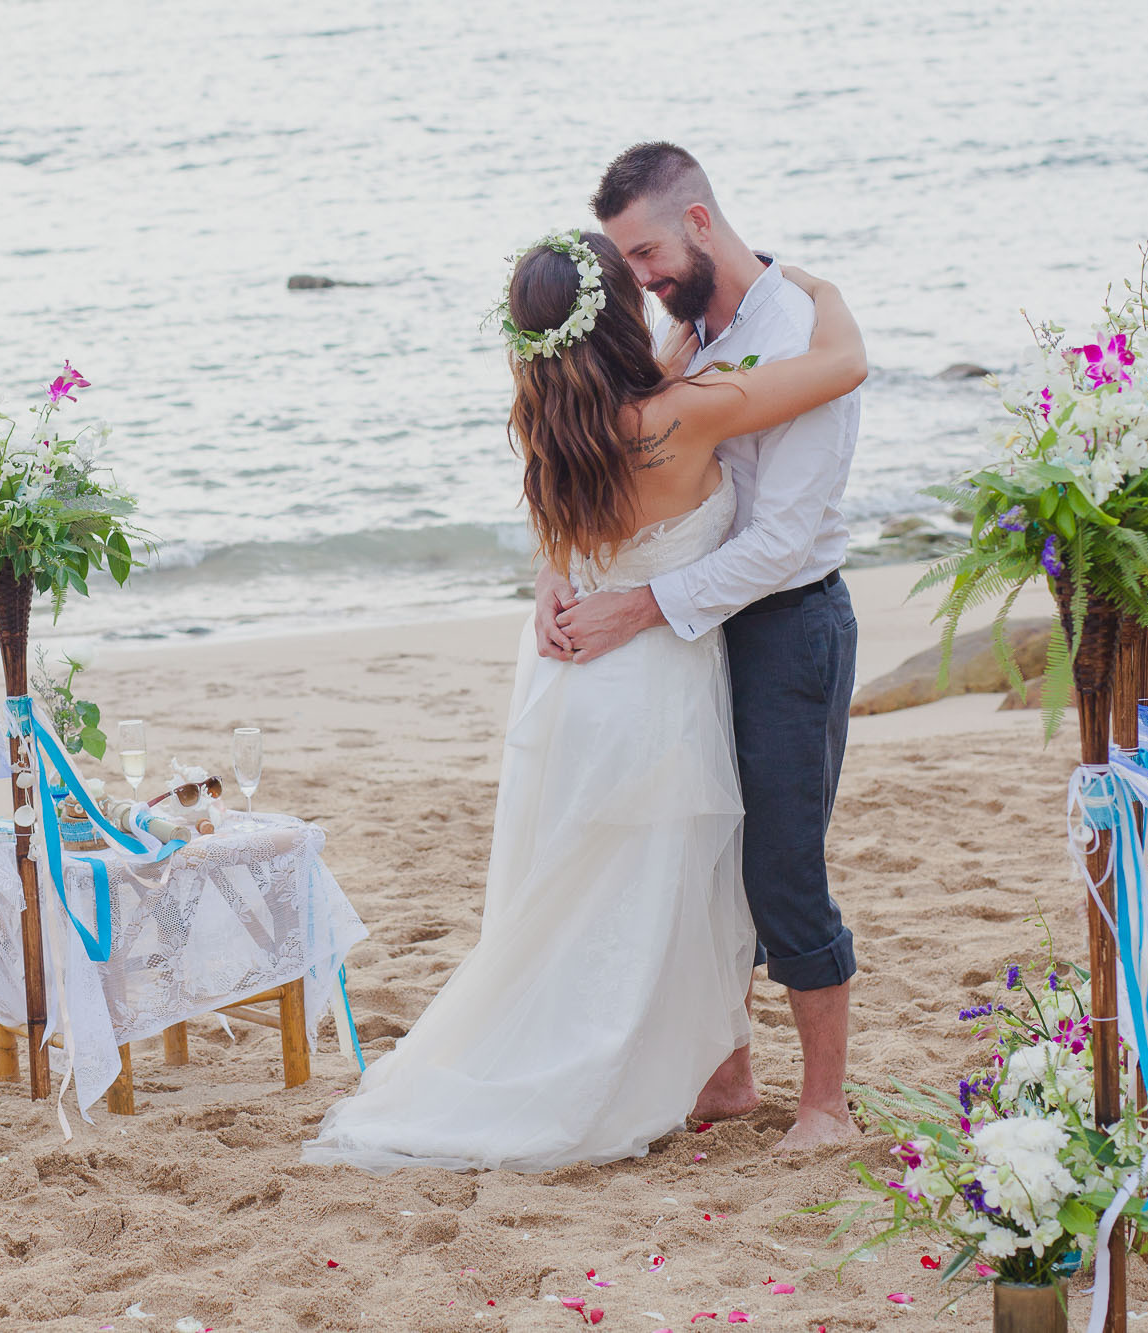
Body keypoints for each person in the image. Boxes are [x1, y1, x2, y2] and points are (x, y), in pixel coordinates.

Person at [300, 213, 866, 1172]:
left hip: (566, 681)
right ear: (618, 317)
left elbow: (562, 534)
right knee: (662, 884)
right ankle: (648, 1069)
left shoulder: (547, 417)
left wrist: (550, 579)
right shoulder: (683, 412)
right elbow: (841, 365)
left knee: (580, 885)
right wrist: (813, 286)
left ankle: (718, 1072)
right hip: (652, 679)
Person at [548, 142, 865, 1151]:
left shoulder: (797, 329)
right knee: (701, 850)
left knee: (779, 864)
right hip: (688, 633)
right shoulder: (683, 330)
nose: (634, 280)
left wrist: (638, 605)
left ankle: (823, 1104)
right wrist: (567, 566)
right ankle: (726, 1076)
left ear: (695, 222)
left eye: (641, 253)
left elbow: (778, 540)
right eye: (621, 261)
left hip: (786, 624)